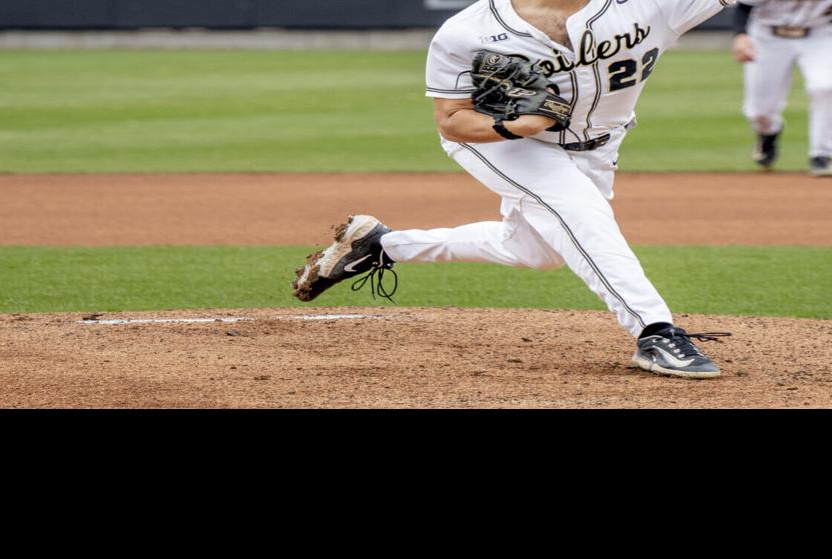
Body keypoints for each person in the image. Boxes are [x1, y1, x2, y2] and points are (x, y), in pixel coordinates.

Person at [292, 0, 735, 379]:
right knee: (579, 211)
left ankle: (381, 245)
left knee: (537, 251)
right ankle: (655, 331)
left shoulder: (650, 6)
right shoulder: (468, 31)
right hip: (507, 144)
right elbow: (451, 118)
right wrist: (512, 124)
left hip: (601, 145)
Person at [732, 0, 832, 177]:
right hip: (767, 36)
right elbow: (744, 5)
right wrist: (741, 36)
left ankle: (823, 156)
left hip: (824, 35)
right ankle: (768, 133)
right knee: (759, 112)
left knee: (826, 87)